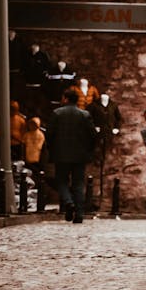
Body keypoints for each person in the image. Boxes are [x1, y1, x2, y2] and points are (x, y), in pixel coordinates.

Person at [47, 87, 97, 223]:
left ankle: (68, 202)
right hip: (80, 155)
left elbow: (49, 135)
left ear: (66, 99)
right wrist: (88, 150)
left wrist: (52, 150)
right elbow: (93, 135)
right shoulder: (84, 115)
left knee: (62, 181)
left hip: (61, 154)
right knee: (78, 184)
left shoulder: (57, 114)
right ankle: (79, 214)